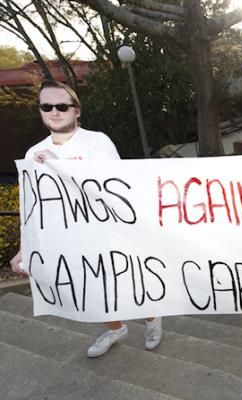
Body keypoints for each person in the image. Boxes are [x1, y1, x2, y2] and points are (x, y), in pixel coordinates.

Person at [10, 80, 162, 358]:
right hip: (67, 241)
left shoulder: (97, 142)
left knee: (127, 286)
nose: (54, 111)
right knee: (90, 292)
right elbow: (31, 207)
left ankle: (152, 321)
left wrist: (59, 165)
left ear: (76, 111)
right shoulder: (33, 153)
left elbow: (113, 190)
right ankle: (116, 329)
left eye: (61, 106)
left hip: (109, 236)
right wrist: (24, 248)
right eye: (47, 106)